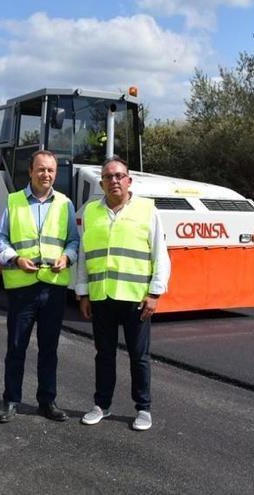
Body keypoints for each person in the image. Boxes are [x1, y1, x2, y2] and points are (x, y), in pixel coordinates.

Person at [75, 156, 171, 431]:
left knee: (139, 356)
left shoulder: (147, 210)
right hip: (102, 297)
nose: (114, 180)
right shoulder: (91, 212)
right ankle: (101, 405)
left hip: (135, 298)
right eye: (108, 177)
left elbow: (160, 254)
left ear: (129, 180)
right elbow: (84, 255)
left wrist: (155, 293)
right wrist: (82, 292)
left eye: (119, 176)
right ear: (101, 183)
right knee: (103, 354)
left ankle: (143, 409)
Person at [0, 150, 79, 423]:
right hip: (22, 288)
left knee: (49, 349)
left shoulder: (65, 204)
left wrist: (67, 257)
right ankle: (10, 401)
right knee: (16, 346)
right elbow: (0, 238)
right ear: (30, 171)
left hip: (53, 288)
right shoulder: (14, 201)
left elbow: (74, 241)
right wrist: (16, 259)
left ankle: (47, 401)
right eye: (41, 169)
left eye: (51, 170)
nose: (46, 175)